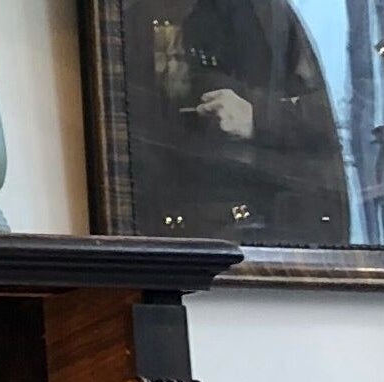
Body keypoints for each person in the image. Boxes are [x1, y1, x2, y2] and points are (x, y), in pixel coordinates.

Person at [131, 0, 350, 244]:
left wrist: (257, 117)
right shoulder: (141, 15)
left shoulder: (272, 14)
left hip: (276, 222)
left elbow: (332, 117)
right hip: (184, 220)